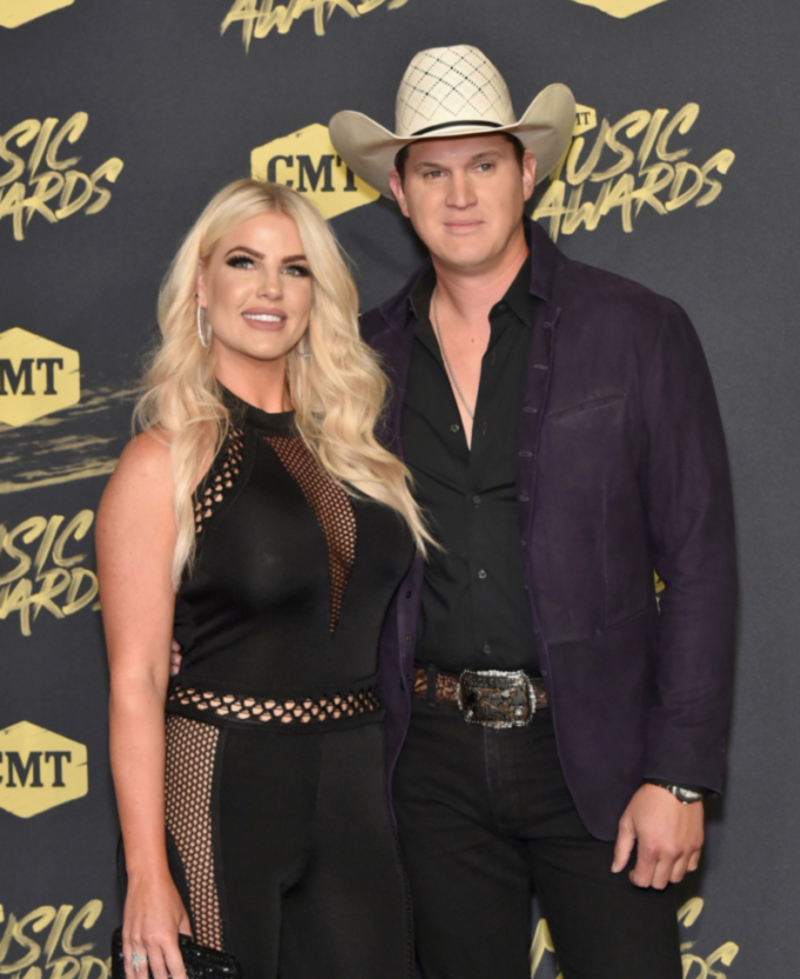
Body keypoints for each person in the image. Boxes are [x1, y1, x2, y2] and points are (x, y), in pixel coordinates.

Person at [328, 45, 737, 979]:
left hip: (596, 753)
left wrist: (678, 774)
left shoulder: (637, 330)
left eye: (483, 163)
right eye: (433, 169)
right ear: (398, 189)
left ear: (530, 171)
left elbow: (703, 561)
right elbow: (316, 542)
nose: (459, 192)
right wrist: (205, 626)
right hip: (424, 764)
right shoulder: (360, 357)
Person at [96, 178, 431, 979]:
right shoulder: (166, 460)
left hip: (354, 787)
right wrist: (148, 873)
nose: (270, 289)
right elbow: (137, 680)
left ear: (318, 293)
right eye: (244, 261)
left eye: (296, 267)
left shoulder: (356, 454)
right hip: (217, 790)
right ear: (202, 286)